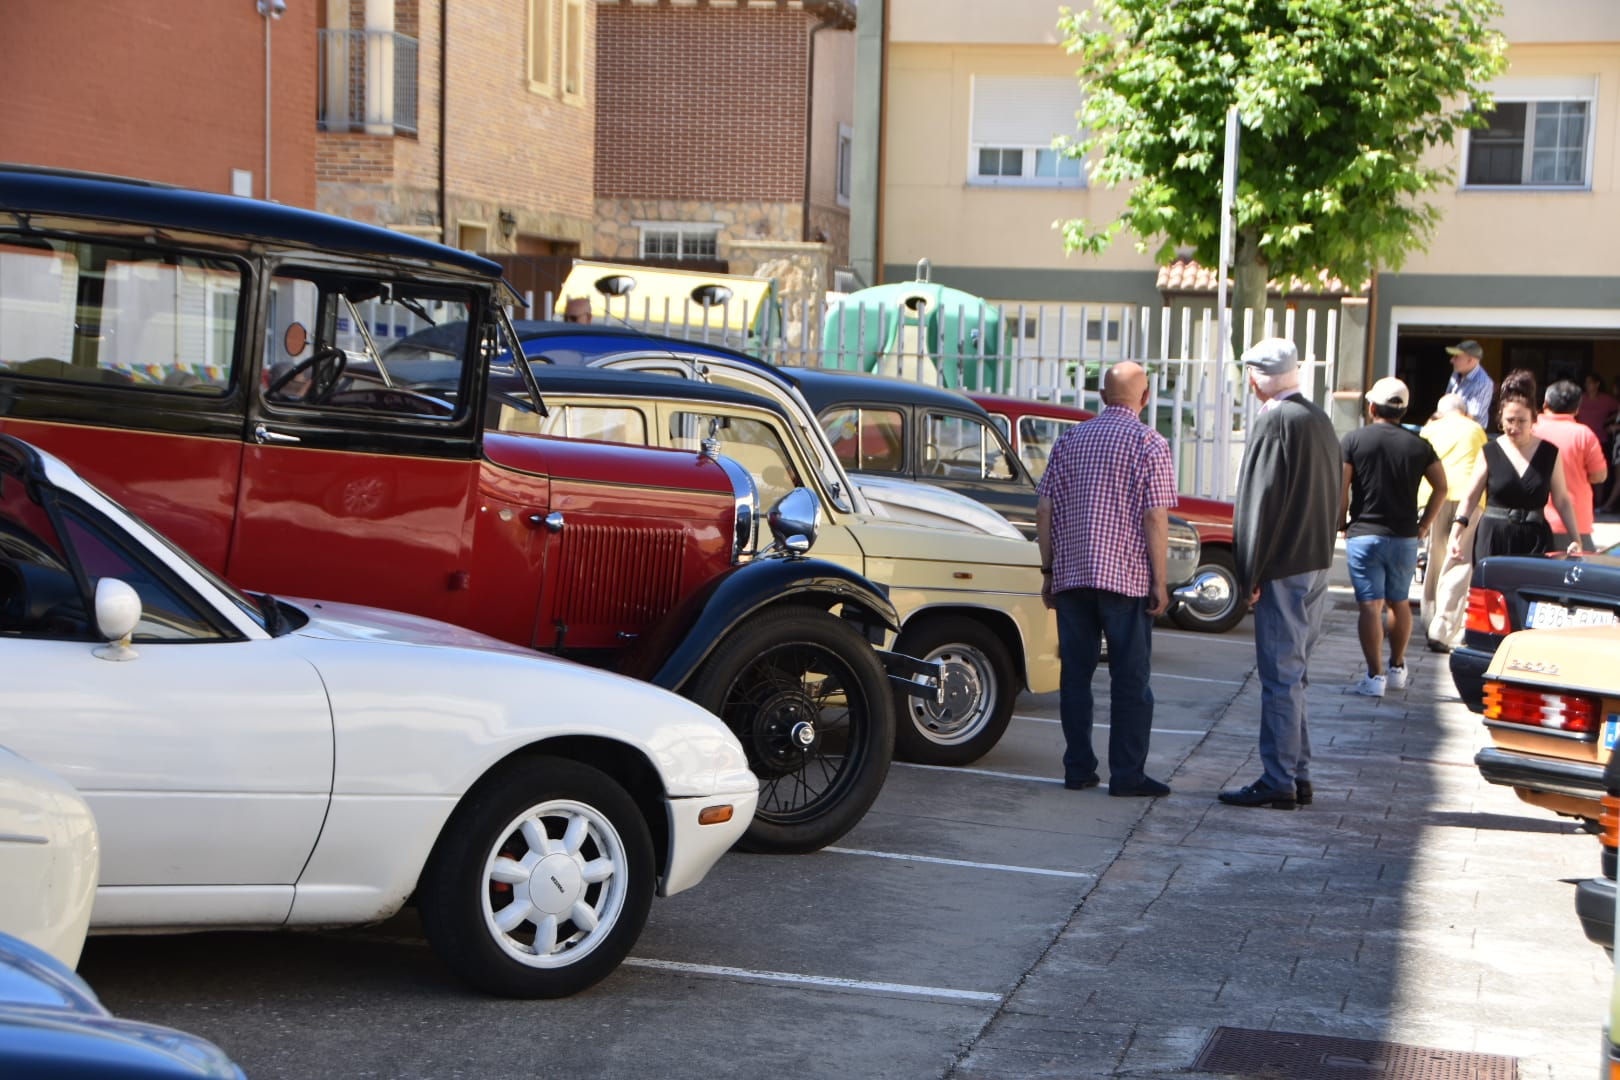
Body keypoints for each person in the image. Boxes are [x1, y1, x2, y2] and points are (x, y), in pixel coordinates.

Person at [1035, 361, 1176, 798]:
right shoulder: (1149, 442)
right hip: (1127, 581)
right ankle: (1127, 774)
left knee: (1076, 678)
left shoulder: (1072, 439)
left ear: (1101, 396)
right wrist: (1160, 580)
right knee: (1129, 681)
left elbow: (1044, 509)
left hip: (1073, 577)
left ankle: (1078, 768)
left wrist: (1048, 570)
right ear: (1145, 397)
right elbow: (1155, 516)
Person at [1219, 338, 1341, 811]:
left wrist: (1249, 569)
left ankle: (1279, 778)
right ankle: (1297, 773)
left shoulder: (1275, 419)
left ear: (1255, 377)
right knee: (1296, 675)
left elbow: (1260, 501)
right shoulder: (1318, 418)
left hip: (1284, 565)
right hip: (1314, 562)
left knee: (1280, 677)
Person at [1339, 377, 1447, 697]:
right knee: (1399, 602)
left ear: (1372, 407)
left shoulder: (1354, 440)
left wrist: (1340, 522)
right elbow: (1442, 486)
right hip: (1404, 536)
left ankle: (1375, 678)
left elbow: (1341, 488)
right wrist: (1425, 524)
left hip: (1364, 533)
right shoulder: (1420, 445)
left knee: (1370, 606)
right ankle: (1398, 667)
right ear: (1403, 410)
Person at [1448, 369, 1582, 564]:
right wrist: (1455, 534)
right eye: (1510, 420)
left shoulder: (1550, 453)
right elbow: (1470, 498)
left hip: (1536, 539)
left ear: (1533, 420)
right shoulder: (1489, 451)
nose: (1515, 427)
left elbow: (1562, 500)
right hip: (1494, 537)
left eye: (1522, 421)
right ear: (1501, 418)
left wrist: (1575, 538)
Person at [1418, 394, 1487, 652]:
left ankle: (1429, 619)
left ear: (1439, 412)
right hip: (1468, 498)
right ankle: (1443, 627)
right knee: (1458, 561)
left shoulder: (1430, 428)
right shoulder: (1475, 429)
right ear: (1464, 412)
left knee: (1435, 559)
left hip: (1433, 495)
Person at [1532, 379, 1607, 551]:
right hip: (1574, 523)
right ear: (1577, 409)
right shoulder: (1584, 434)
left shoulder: (1531, 430)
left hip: (1533, 517)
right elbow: (1599, 475)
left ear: (1545, 403)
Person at [1445, 339, 1495, 431]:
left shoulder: (1483, 383)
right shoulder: (1456, 374)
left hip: (1468, 435)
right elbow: (1445, 402)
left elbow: (1472, 418)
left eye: (1456, 357)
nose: (1451, 360)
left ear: (1470, 360)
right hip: (1450, 429)